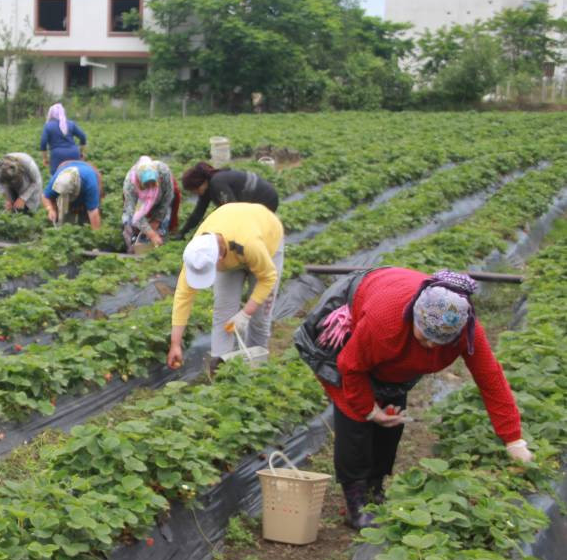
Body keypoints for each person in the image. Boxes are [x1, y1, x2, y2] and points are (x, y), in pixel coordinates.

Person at [297, 268, 532, 529]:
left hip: (393, 356)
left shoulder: (468, 331)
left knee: (392, 418)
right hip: (357, 326)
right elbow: (350, 367)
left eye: (440, 341)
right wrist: (368, 410)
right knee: (355, 420)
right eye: (425, 336)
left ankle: (375, 488)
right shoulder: (384, 322)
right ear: (414, 317)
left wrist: (514, 440)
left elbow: (491, 380)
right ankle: (356, 502)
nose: (431, 345)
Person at [166, 202, 284, 377]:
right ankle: (220, 371)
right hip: (231, 238)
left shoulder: (250, 244)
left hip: (266, 240)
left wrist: (246, 313)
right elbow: (183, 295)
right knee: (223, 313)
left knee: (259, 319)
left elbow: (268, 278)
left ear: (219, 257)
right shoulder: (198, 250)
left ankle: (257, 371)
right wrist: (175, 343)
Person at [175, 162, 279, 238]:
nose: (195, 193)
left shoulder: (217, 183)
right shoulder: (208, 187)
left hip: (266, 199)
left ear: (201, 183)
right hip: (253, 201)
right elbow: (198, 212)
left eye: (194, 190)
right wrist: (183, 233)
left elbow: (231, 211)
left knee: (246, 231)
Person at [121, 156, 178, 251]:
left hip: (159, 203)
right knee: (130, 224)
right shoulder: (130, 185)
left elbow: (167, 198)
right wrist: (150, 233)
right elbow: (133, 211)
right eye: (147, 185)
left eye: (153, 184)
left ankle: (159, 251)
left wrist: (157, 220)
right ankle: (133, 251)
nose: (151, 188)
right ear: (139, 182)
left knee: (161, 229)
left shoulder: (163, 172)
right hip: (138, 206)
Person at [42, 160, 102, 229]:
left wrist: (96, 235)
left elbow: (93, 212)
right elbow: (45, 197)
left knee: (88, 215)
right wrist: (50, 209)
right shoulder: (56, 181)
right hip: (67, 165)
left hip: (89, 171)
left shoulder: (90, 184)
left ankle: (83, 223)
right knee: (65, 213)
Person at [40, 103, 88, 175]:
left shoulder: (48, 126)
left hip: (57, 157)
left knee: (56, 180)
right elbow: (83, 136)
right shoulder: (71, 123)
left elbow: (43, 143)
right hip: (74, 154)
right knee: (76, 178)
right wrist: (81, 152)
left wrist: (45, 158)